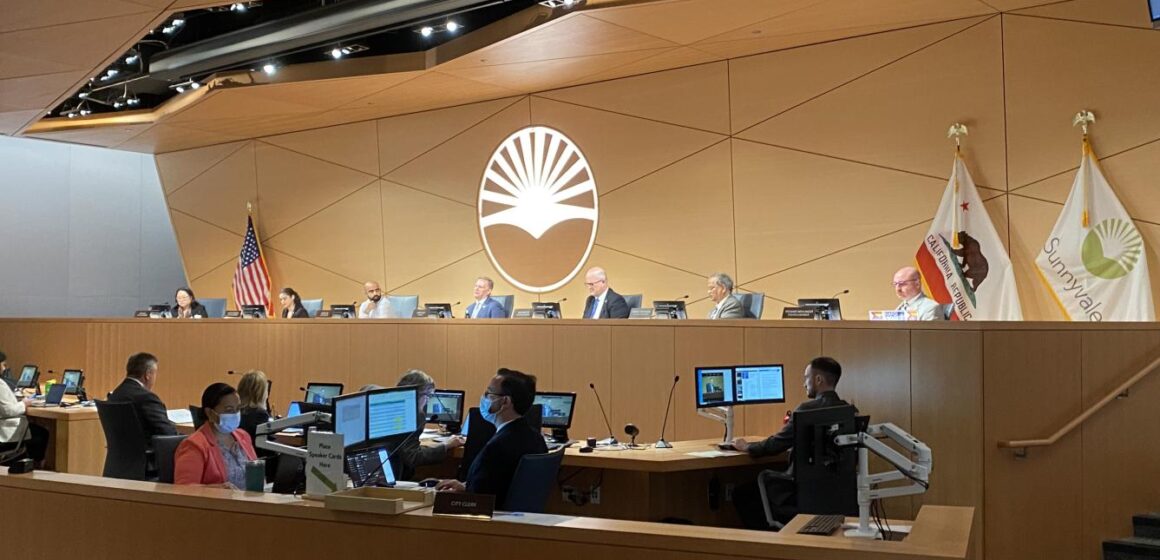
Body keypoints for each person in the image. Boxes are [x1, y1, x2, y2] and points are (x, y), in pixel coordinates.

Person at [727, 357, 853, 529]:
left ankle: (768, 545)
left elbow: (774, 445)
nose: (804, 384)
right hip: (837, 493)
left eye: (806, 378)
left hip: (802, 493)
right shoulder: (848, 411)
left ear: (818, 380)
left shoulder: (806, 411)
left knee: (742, 494)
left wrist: (746, 446)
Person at [433, 368, 547, 509]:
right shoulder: (535, 438)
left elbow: (481, 499)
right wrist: (465, 486)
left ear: (505, 401)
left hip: (489, 520)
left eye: (489, 393)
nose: (484, 398)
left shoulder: (498, 446)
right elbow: (498, 486)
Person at [174, 383, 258, 487]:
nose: (235, 414)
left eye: (238, 409)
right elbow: (183, 489)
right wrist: (216, 489)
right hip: (219, 502)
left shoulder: (243, 436)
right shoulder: (194, 445)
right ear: (210, 413)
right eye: (229, 410)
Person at [393, 369, 464, 480]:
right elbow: (413, 457)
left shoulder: (394, 407)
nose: (427, 401)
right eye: (427, 396)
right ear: (415, 394)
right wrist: (446, 445)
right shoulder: (409, 416)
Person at [108, 352, 177, 439]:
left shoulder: (116, 394)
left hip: (121, 452)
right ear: (148, 374)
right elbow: (168, 433)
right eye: (155, 373)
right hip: (150, 450)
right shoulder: (146, 398)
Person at [0, 351, 48, 465]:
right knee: (42, 433)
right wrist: (24, 404)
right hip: (5, 433)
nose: (5, 368)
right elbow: (8, 411)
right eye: (3, 364)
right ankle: (34, 467)